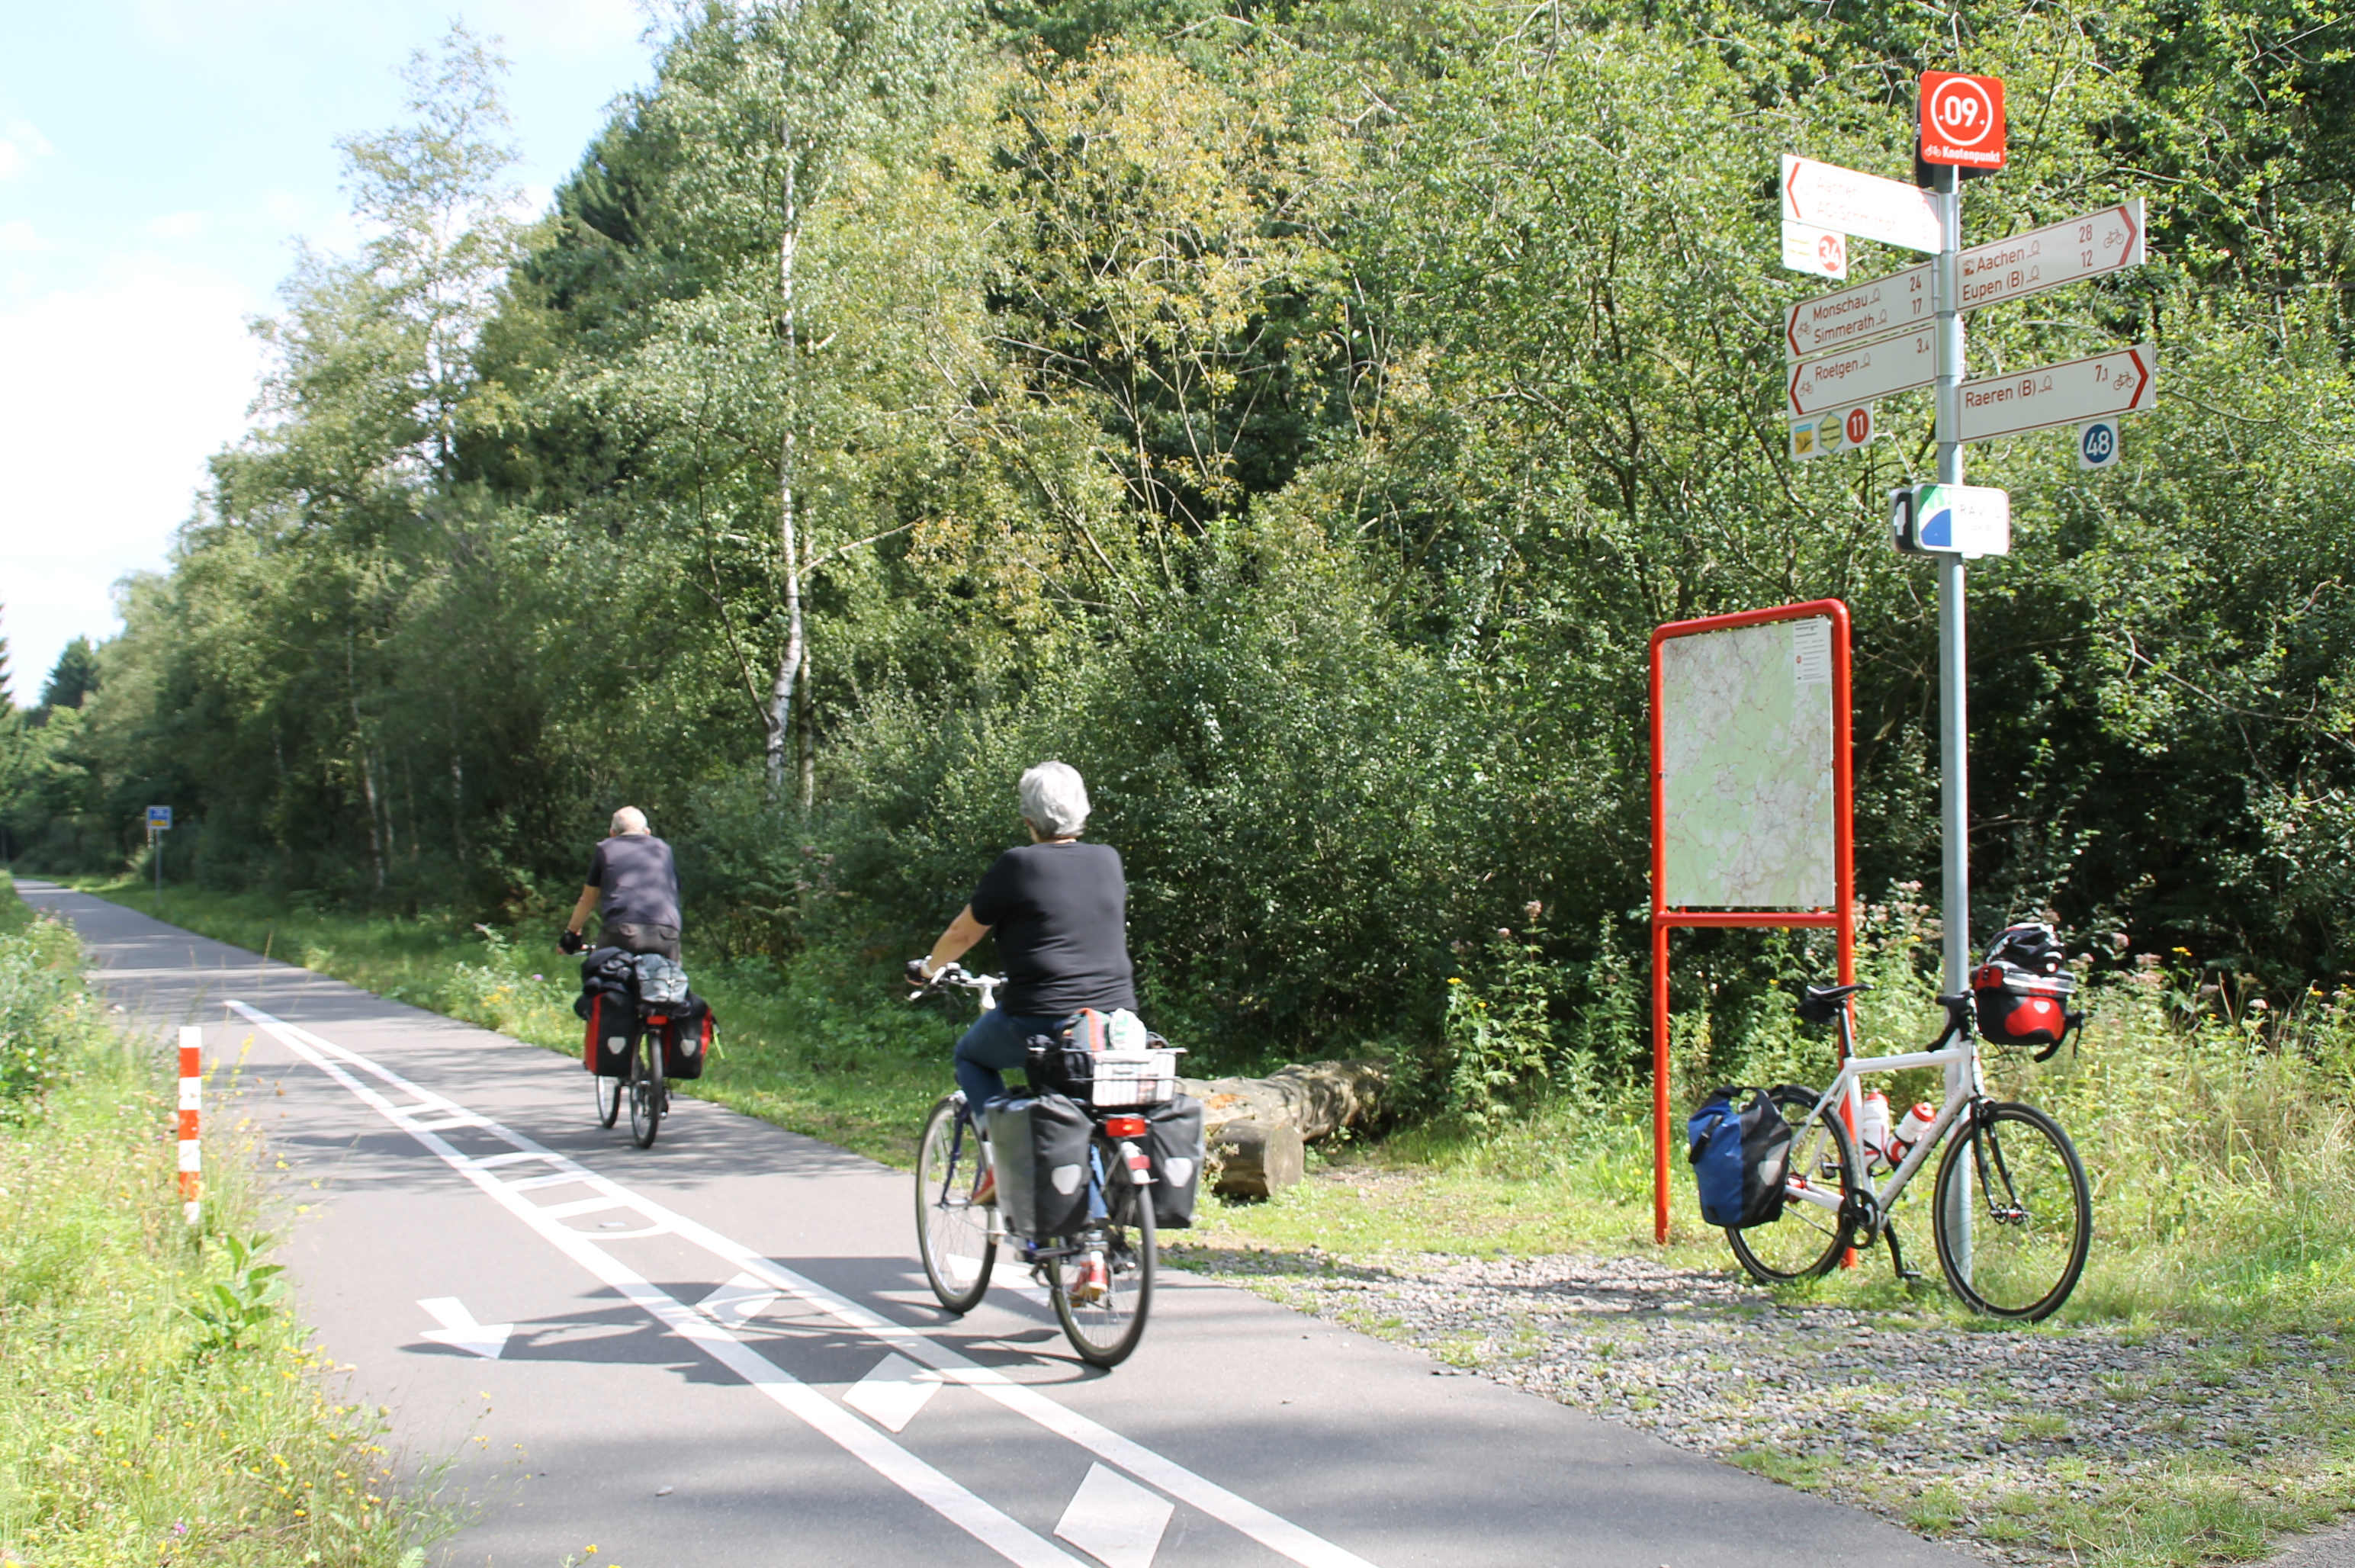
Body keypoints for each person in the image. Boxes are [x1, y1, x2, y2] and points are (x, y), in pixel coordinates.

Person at [914, 760, 1136, 1115]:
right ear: (1083, 809)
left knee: (969, 1056)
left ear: (1028, 819)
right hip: (1114, 1020)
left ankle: (1002, 1147)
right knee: (1085, 1114)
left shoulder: (1018, 865)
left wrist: (927, 970)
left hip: (1041, 1017)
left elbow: (961, 935)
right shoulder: (1108, 859)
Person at [561, 807, 683, 960]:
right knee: (670, 980)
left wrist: (571, 934)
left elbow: (587, 899)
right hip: (667, 932)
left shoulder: (605, 849)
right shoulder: (664, 850)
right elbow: (674, 892)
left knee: (603, 976)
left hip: (622, 930)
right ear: (647, 832)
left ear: (612, 833)